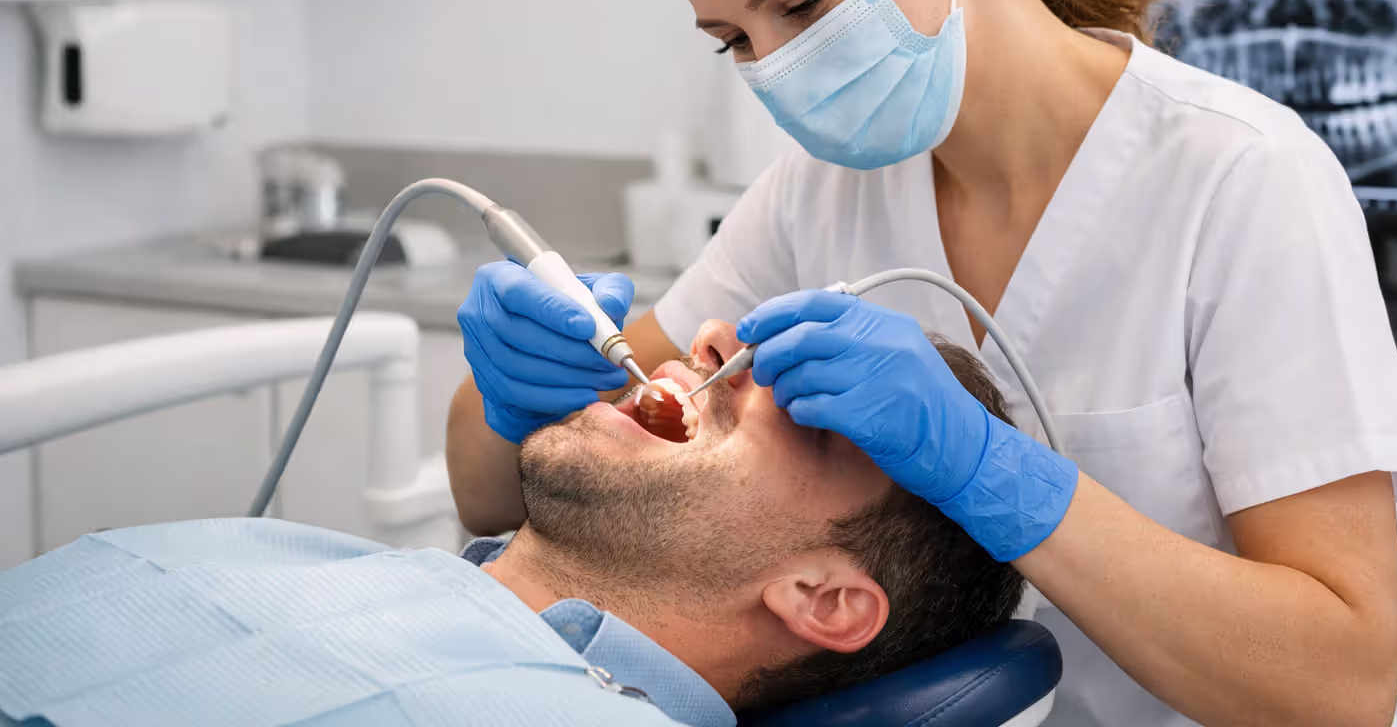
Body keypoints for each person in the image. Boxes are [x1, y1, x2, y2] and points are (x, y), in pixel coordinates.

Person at [447, 0, 1397, 727]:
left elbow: (1339, 691)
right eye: (733, 40)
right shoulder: (820, 189)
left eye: (804, 5)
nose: (775, 67)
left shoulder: (1239, 179)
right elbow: (490, 493)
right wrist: (508, 397)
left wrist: (995, 473)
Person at [0, 321, 1022, 727]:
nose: (696, 362)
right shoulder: (287, 552)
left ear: (826, 597)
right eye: (735, 348)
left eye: (802, 409)